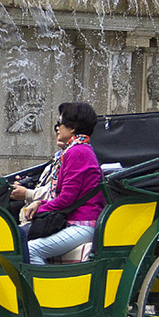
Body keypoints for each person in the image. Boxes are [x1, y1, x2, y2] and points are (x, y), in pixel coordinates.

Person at [25, 101, 102, 265]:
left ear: (72, 127)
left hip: (83, 225)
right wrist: (40, 203)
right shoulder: (79, 149)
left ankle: (45, 290)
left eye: (59, 123)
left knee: (30, 249)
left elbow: (67, 198)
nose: (58, 128)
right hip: (75, 222)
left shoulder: (77, 152)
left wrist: (40, 208)